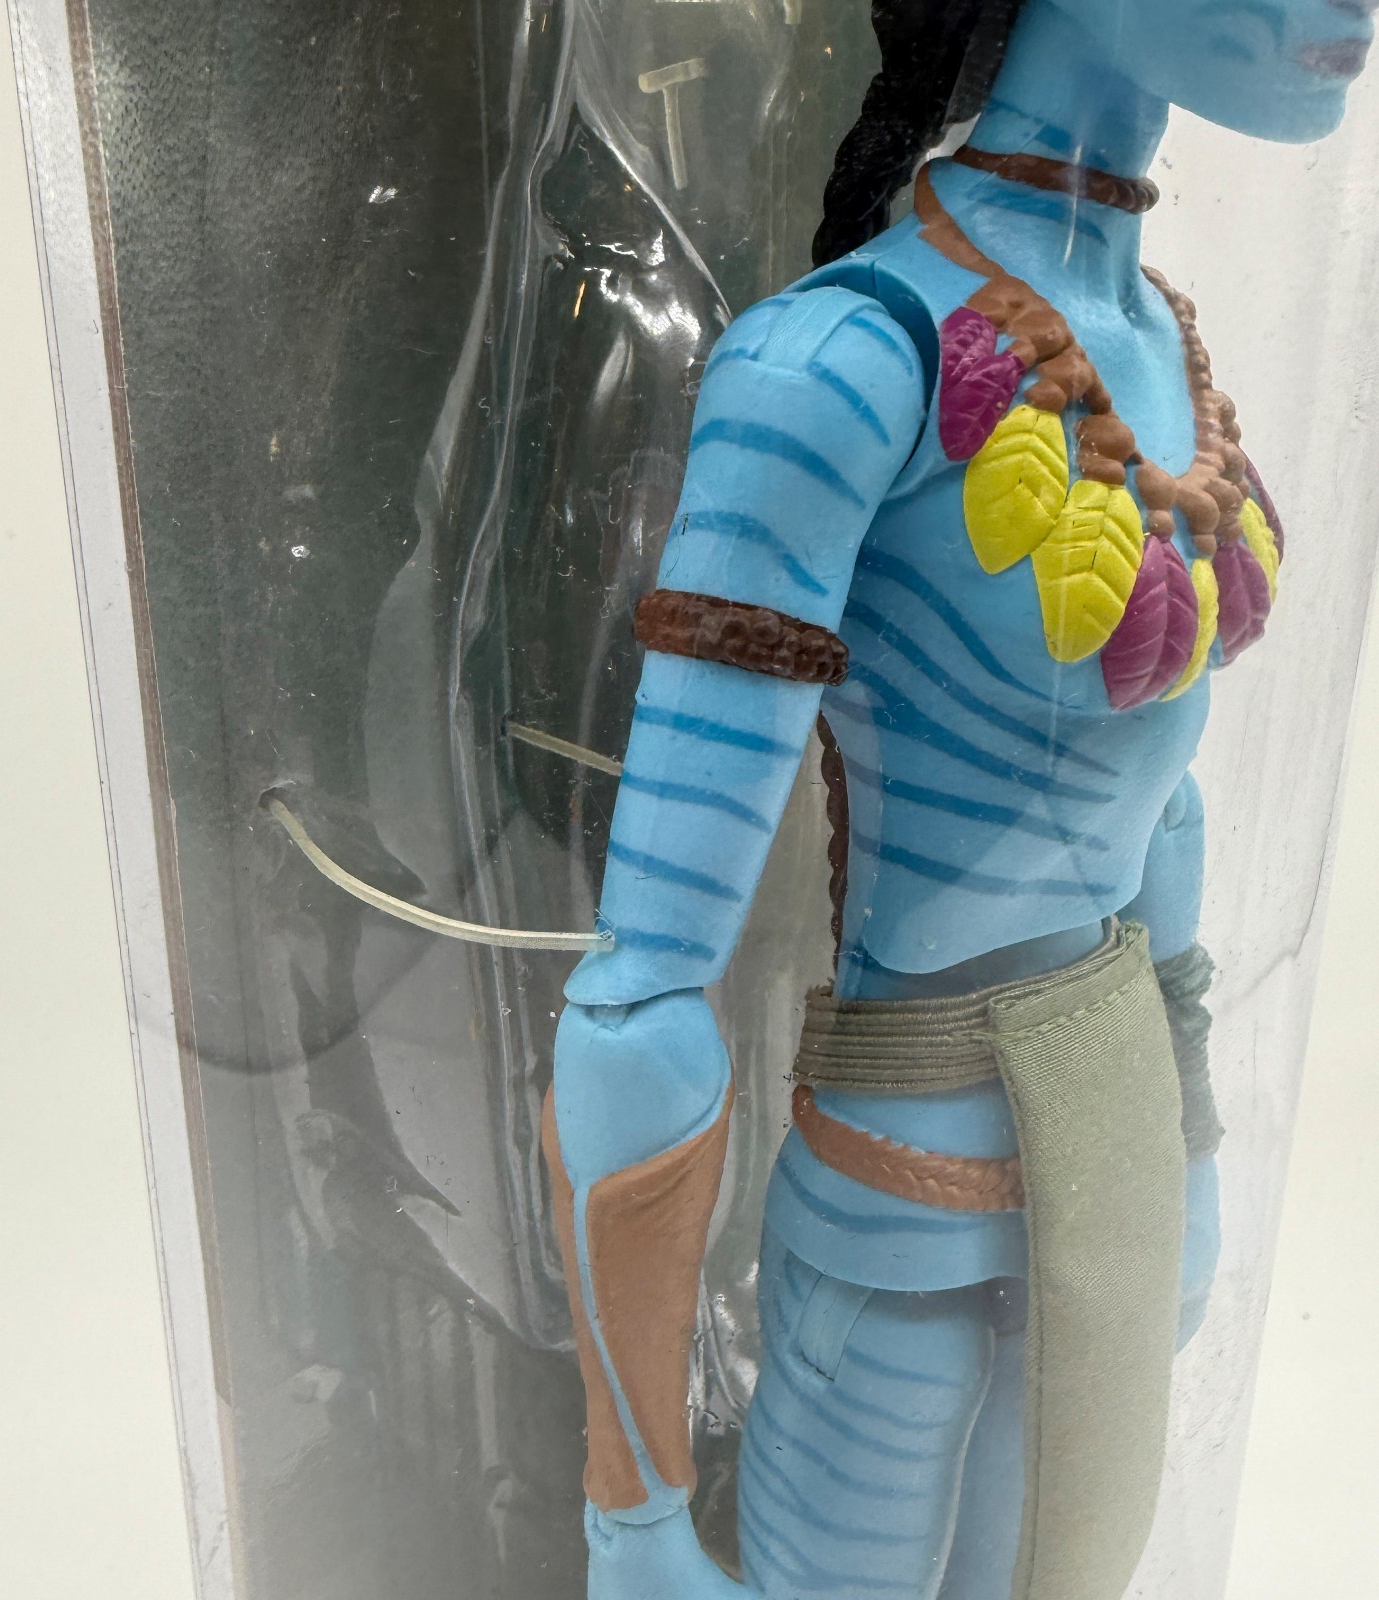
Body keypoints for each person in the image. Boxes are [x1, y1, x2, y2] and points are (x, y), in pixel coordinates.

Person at [542, 2, 1368, 1596]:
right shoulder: (845, 360)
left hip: (1111, 1181)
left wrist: (1189, 1156)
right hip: (896, 1219)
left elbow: (1158, 813)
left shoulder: (1160, 347)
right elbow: (642, 992)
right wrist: (631, 1521)